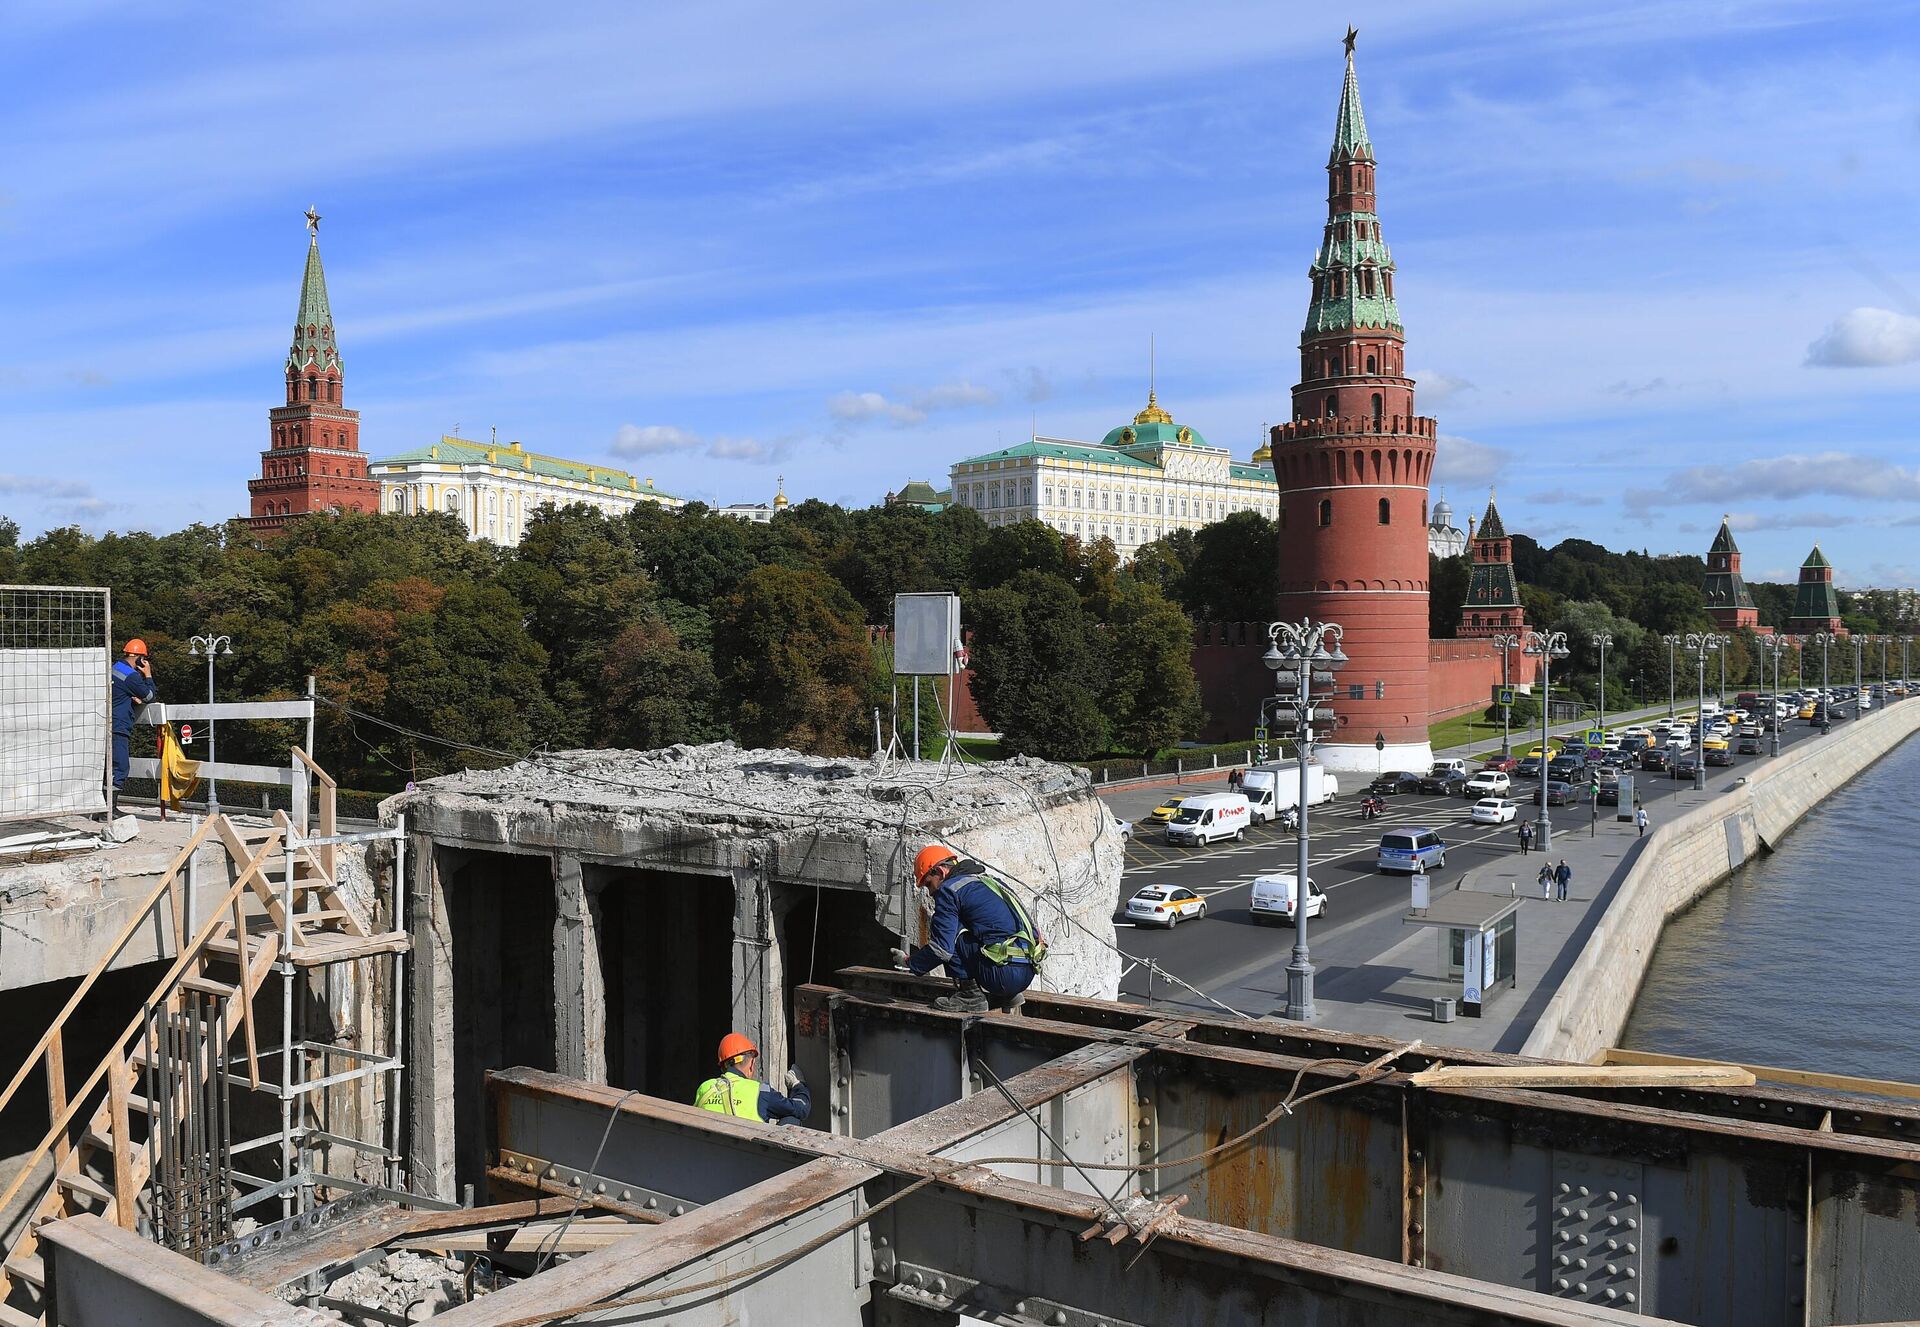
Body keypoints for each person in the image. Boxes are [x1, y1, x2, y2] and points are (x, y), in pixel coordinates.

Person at [893, 843, 1044, 1013]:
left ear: (940, 872)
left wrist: (910, 963)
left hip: (1002, 975)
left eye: (928, 884)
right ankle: (1008, 995)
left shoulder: (948, 890)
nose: (930, 892)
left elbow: (942, 950)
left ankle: (969, 996)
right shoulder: (991, 882)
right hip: (1027, 972)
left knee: (949, 929)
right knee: (985, 930)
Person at [693, 1033, 810, 1125]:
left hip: (709, 1150)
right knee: (791, 1119)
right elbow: (801, 1109)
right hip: (748, 1154)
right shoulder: (760, 1091)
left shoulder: (705, 1087)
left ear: (723, 1066)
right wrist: (798, 1085)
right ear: (751, 1063)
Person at [110, 639, 156, 809]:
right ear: (139, 658)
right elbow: (150, 697)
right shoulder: (132, 676)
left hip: (107, 723)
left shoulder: (114, 668)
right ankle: (111, 809)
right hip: (119, 725)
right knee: (120, 767)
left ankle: (102, 809)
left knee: (108, 768)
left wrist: (129, 696)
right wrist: (148, 675)